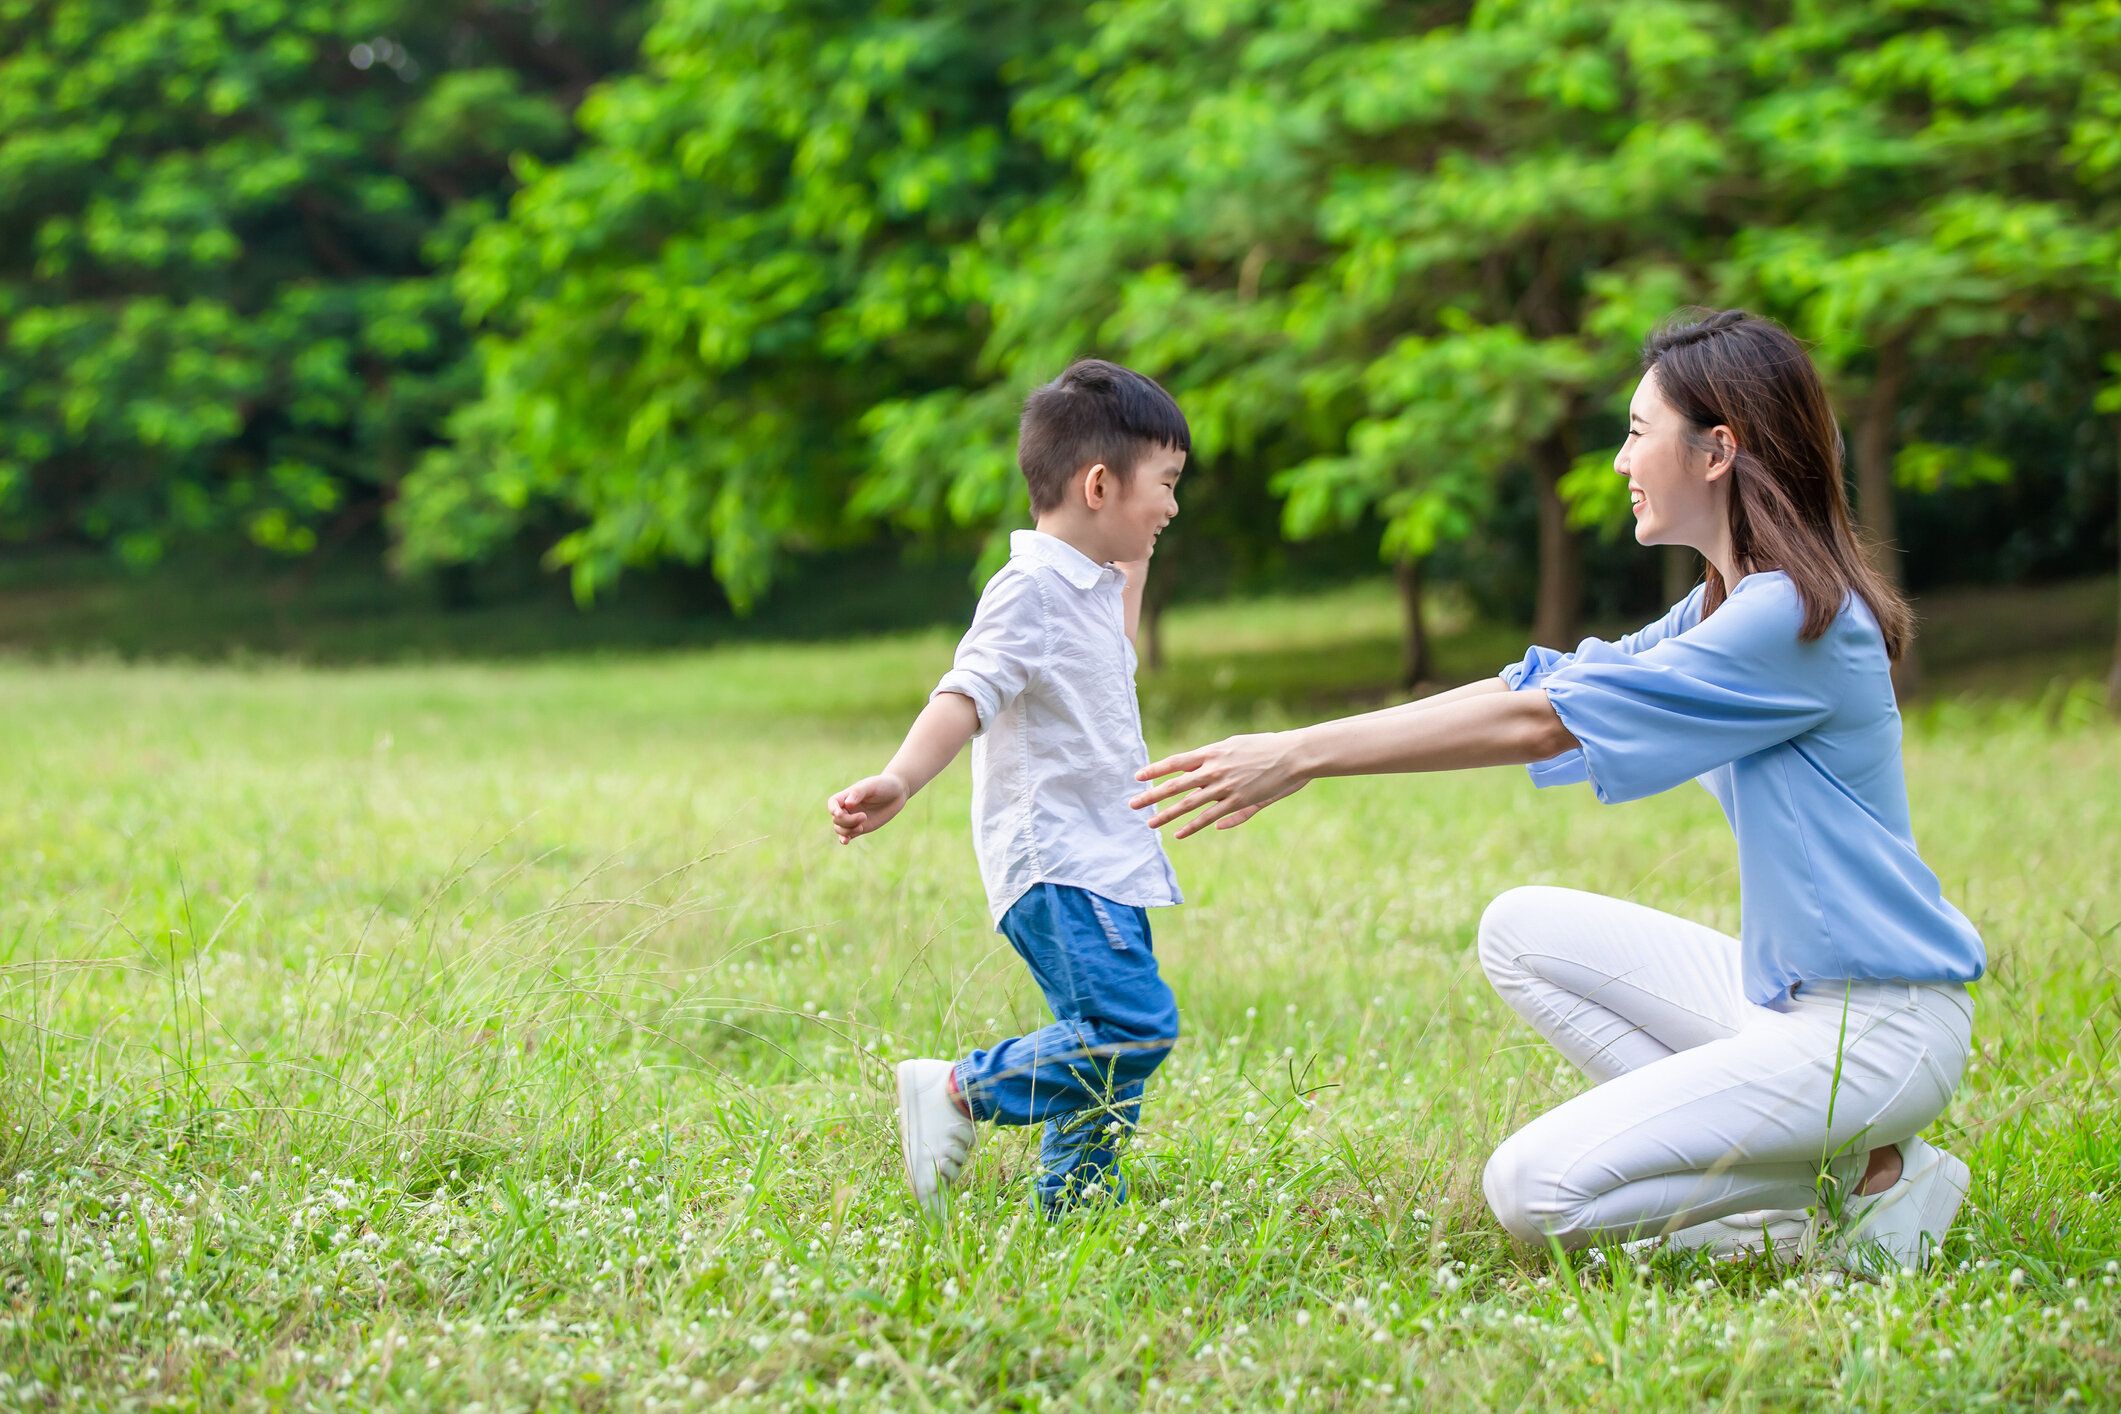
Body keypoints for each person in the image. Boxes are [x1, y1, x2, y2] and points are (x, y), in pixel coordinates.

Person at [1127, 310, 1986, 1270]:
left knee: (1531, 1189)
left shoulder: (1788, 620)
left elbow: (1545, 723)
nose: (1619, 461)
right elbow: (1537, 686)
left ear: (1717, 451)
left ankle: (1858, 1182)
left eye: (1636, 431)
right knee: (1520, 930)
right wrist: (1300, 744)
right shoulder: (1725, 605)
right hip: (1788, 1006)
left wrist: (1302, 757)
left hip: (1876, 1032)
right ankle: (1861, 1172)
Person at [828, 358, 1189, 1216]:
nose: (1173, 508)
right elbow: (968, 690)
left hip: (1106, 858)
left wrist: (1134, 548)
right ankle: (958, 1090)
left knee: (1099, 1048)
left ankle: (1076, 1205)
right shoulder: (1029, 589)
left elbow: (1118, 619)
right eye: (1167, 484)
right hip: (1059, 860)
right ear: (1097, 485)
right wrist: (901, 777)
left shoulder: (1090, 588)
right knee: (1131, 1028)